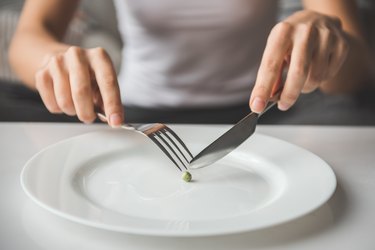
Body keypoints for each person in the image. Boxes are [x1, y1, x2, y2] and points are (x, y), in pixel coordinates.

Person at [8, 0, 370, 127]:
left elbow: (356, 75)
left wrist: (327, 43)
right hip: (133, 117)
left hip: (261, 116)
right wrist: (53, 61)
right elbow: (28, 36)